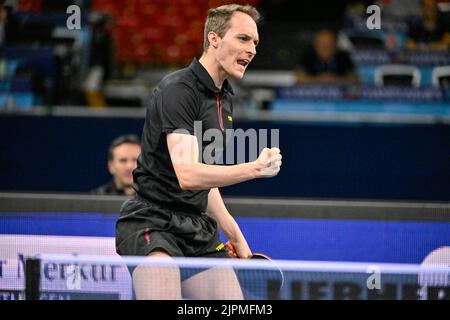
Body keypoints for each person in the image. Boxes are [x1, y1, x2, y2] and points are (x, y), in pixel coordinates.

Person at [115, 4, 282, 300]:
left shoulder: (224, 102)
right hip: (153, 222)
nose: (252, 49)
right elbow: (188, 174)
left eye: (255, 42)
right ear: (214, 39)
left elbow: (206, 186)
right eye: (243, 39)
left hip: (197, 229)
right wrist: (253, 168)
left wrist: (236, 236)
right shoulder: (178, 90)